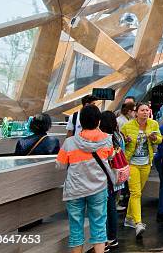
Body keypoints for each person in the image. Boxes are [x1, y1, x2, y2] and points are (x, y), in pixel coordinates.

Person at [56, 105, 114, 253]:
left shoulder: (69, 143)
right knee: (99, 225)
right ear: (98, 121)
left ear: (81, 122)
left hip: (75, 190)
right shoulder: (107, 141)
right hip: (99, 189)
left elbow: (60, 166)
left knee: (76, 227)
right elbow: (110, 157)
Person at [121, 102, 161, 237]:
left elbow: (159, 140)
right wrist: (126, 140)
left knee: (137, 192)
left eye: (147, 110)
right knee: (136, 193)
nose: (145, 112)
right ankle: (138, 223)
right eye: (142, 110)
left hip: (146, 163)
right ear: (136, 112)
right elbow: (120, 143)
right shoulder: (127, 126)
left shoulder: (153, 124)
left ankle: (128, 218)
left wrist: (155, 138)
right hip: (131, 163)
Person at [99, 111, 125, 252]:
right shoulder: (118, 136)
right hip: (117, 176)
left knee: (106, 208)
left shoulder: (104, 138)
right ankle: (113, 237)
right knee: (112, 207)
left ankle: (108, 238)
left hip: (107, 177)